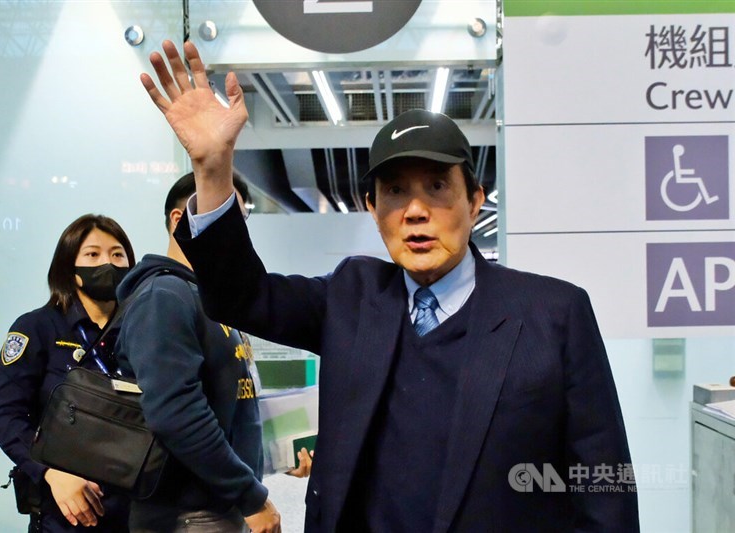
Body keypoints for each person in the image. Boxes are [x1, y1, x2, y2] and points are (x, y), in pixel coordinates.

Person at [140, 40, 640, 532]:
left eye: (438, 187)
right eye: (396, 191)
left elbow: (602, 485)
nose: (416, 210)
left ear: (476, 201)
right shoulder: (354, 295)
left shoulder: (553, 313)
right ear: (372, 208)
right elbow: (240, 296)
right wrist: (212, 168)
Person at [115, 171, 302, 533]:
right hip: (190, 516)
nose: (233, 232)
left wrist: (279, 460)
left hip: (222, 508)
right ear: (179, 218)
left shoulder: (211, 300)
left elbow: (231, 407)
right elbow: (176, 414)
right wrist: (250, 495)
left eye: (238, 220)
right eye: (220, 216)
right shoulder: (164, 297)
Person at [0, 214, 135, 532]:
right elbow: (3, 415)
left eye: (117, 254)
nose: (107, 263)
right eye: (92, 254)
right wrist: (51, 474)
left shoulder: (143, 330)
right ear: (69, 267)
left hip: (138, 511)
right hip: (64, 512)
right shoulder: (37, 327)